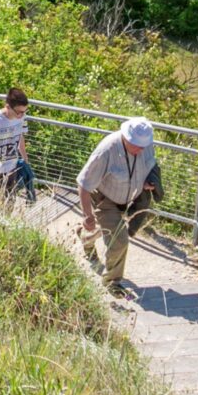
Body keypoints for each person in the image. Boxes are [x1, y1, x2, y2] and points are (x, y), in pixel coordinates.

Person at [75, 116, 158, 297]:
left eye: (143, 146)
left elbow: (146, 166)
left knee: (107, 232)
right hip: (105, 199)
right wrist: (87, 214)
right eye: (135, 146)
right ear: (126, 137)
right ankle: (112, 282)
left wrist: (147, 183)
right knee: (119, 241)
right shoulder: (106, 150)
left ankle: (84, 235)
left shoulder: (145, 145)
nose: (139, 150)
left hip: (130, 198)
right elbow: (84, 183)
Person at [0, 88, 36, 201]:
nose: (22, 115)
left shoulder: (22, 118)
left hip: (12, 166)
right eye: (19, 112)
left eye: (25, 111)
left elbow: (20, 136)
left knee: (10, 200)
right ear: (8, 106)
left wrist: (25, 158)